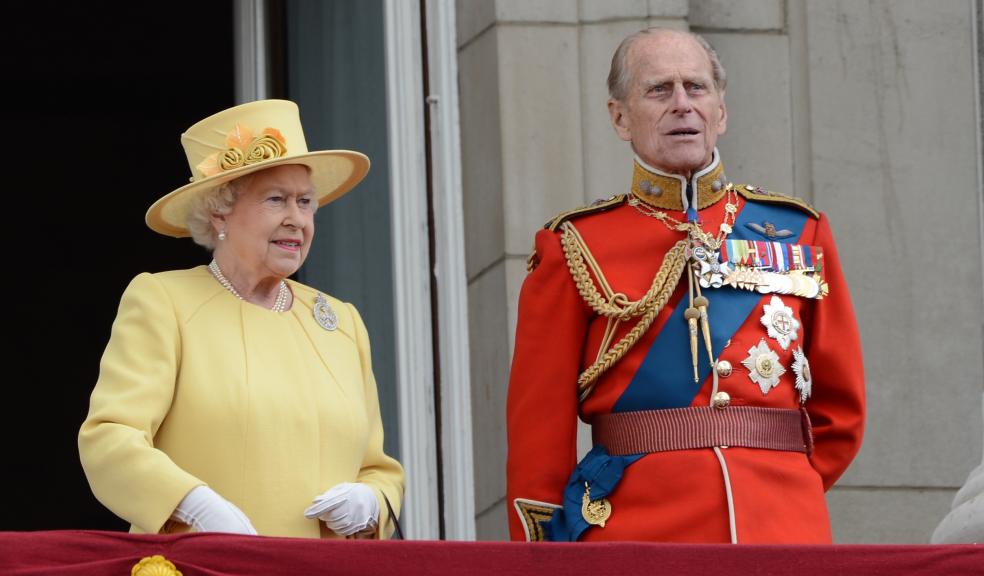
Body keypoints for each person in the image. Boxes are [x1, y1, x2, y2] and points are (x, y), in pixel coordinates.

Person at [506, 28, 864, 543]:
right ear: (619, 118)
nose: (681, 104)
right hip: (634, 534)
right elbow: (538, 437)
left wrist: (787, 487)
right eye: (658, 90)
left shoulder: (799, 230)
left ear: (721, 111)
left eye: (696, 88)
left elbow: (841, 410)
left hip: (781, 525)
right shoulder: (574, 246)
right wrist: (540, 557)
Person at [79, 99, 404, 539]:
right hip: (205, 566)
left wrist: (372, 504)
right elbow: (109, 439)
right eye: (277, 200)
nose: (298, 220)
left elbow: (377, 469)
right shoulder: (164, 301)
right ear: (220, 213)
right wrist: (190, 503)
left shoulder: (341, 323)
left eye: (306, 202)